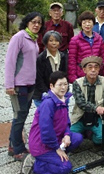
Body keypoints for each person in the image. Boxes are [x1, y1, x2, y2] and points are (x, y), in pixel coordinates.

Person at [4, 12, 45, 161]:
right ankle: (18, 150)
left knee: (21, 116)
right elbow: (10, 61)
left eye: (39, 23)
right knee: (19, 117)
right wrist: (9, 85)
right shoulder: (19, 37)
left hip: (30, 84)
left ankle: (12, 145)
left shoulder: (33, 39)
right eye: (33, 22)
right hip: (18, 85)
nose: (36, 25)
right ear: (27, 22)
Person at [26, 71, 83, 174]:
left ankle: (54, 158)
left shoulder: (63, 99)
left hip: (56, 138)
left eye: (65, 84)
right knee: (66, 168)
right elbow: (46, 131)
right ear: (51, 86)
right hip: (42, 145)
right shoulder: (48, 104)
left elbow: (66, 121)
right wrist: (57, 148)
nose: (63, 87)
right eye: (60, 84)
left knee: (77, 138)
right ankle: (38, 166)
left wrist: (66, 134)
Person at [70, 56, 104, 144]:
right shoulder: (77, 83)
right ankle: (82, 134)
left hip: (98, 117)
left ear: (99, 70)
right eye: (90, 67)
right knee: (70, 138)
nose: (93, 70)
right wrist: (96, 108)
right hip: (81, 117)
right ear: (84, 70)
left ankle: (91, 136)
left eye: (96, 67)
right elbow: (81, 103)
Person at [68, 11, 104, 83]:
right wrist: (73, 78)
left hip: (96, 75)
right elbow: (72, 61)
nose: (87, 24)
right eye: (84, 22)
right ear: (81, 24)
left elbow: (103, 59)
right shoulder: (75, 40)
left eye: (89, 22)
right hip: (81, 76)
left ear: (93, 23)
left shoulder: (99, 39)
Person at [33, 30, 67, 107]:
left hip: (60, 92)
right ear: (46, 43)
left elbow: (65, 74)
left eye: (56, 41)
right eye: (51, 41)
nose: (54, 43)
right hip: (43, 93)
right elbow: (39, 78)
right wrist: (49, 93)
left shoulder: (63, 56)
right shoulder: (41, 58)